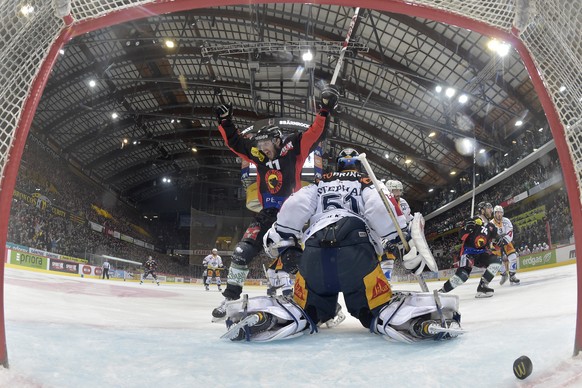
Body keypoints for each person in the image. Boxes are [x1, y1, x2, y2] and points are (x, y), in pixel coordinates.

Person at [220, 148, 460, 342]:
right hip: (356, 252)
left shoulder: (319, 181)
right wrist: (401, 240)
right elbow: (380, 208)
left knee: (307, 310)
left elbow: (294, 207)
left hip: (314, 253)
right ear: (358, 165)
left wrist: (286, 243)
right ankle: (414, 319)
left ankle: (266, 317)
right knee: (377, 308)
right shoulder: (367, 181)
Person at [211, 87, 339, 320]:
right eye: (260, 146)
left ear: (278, 140)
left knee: (292, 260)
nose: (262, 149)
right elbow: (235, 143)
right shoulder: (259, 155)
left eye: (266, 144)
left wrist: (324, 110)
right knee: (241, 252)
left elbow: (314, 134)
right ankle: (230, 299)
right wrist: (224, 120)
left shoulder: (293, 150)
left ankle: (321, 302)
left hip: (289, 215)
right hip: (267, 213)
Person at [439, 202, 502, 298]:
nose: (491, 210)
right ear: (482, 209)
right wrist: (468, 228)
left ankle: (482, 287)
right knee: (462, 276)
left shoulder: (492, 227)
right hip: (468, 252)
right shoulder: (473, 220)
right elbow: (462, 236)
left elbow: (494, 244)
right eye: (489, 208)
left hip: (481, 253)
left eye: (491, 208)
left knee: (497, 261)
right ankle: (441, 292)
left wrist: (500, 241)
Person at [380, 179, 413, 280]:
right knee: (386, 255)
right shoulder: (381, 202)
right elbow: (375, 222)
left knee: (410, 248)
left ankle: (412, 267)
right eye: (395, 190)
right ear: (389, 190)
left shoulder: (403, 202)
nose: (398, 193)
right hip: (383, 234)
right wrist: (383, 240)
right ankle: (383, 280)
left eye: (399, 190)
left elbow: (408, 218)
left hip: (398, 234)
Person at [491, 205, 520, 285]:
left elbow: (510, 233)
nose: (499, 214)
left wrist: (504, 241)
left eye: (500, 212)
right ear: (494, 214)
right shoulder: (491, 224)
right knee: (497, 260)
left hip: (506, 241)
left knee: (513, 257)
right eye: (497, 213)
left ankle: (512, 275)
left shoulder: (506, 221)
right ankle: (504, 275)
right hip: (495, 243)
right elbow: (489, 236)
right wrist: (495, 241)